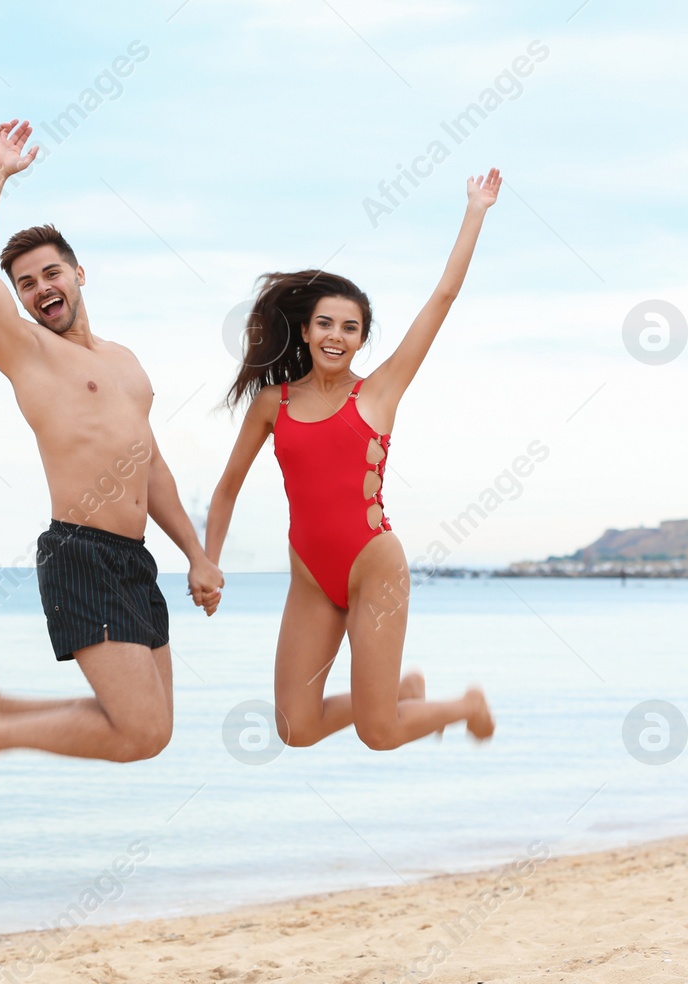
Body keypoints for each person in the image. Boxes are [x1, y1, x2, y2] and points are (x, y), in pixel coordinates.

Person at [0, 120, 224, 801]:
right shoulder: (27, 352)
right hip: (81, 553)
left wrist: (197, 556)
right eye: (26, 283)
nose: (39, 289)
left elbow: (153, 468)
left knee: (155, 730)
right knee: (138, 732)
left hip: (134, 558)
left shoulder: (127, 364)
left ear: (79, 274)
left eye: (51, 273)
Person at [203, 170, 504, 752]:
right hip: (310, 577)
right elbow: (225, 490)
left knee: (379, 733)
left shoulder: (380, 392)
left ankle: (461, 704)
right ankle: (400, 692)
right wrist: (209, 563)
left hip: (373, 566)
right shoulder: (274, 402)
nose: (336, 336)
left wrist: (475, 211)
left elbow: (442, 297)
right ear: (306, 331)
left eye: (350, 327)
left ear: (362, 339)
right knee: (294, 729)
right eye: (325, 324)